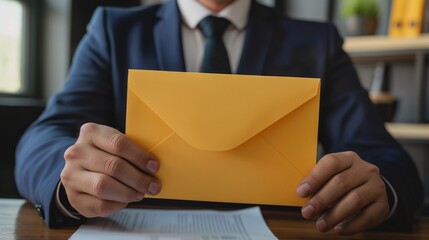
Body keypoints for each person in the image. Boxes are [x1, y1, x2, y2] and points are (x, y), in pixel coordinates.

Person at [15, 0, 423, 235]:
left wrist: (380, 189)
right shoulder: (114, 30)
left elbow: (381, 154)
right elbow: (46, 136)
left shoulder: (316, 42)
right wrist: (69, 180)